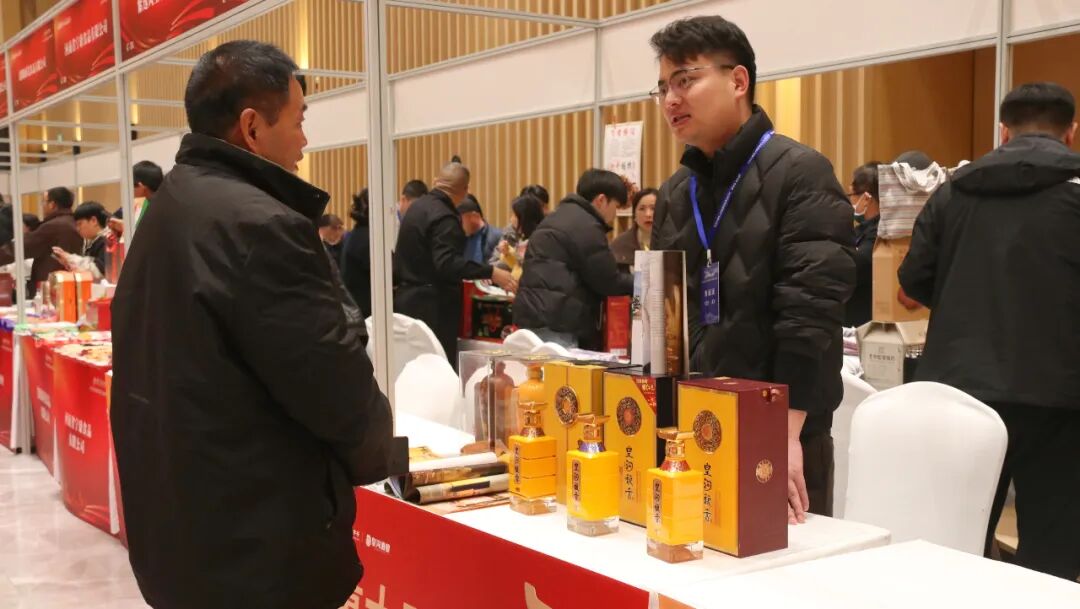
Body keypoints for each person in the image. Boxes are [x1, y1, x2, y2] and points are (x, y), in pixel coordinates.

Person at [110, 41, 393, 609]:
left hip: (182, 529)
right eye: (299, 120)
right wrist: (379, 452)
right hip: (255, 546)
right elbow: (333, 386)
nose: (305, 141)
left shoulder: (169, 206)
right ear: (252, 127)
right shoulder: (261, 227)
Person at [648, 16, 855, 524]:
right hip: (691, 425)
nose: (670, 100)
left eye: (685, 80)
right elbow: (662, 317)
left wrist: (785, 432)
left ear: (738, 81)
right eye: (662, 87)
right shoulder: (677, 193)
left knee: (785, 566)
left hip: (781, 429)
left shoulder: (801, 173)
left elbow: (811, 315)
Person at [899, 82, 1080, 581]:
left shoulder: (954, 191)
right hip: (1061, 396)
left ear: (1003, 131)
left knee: (956, 535)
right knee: (1054, 547)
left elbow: (914, 278)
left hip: (960, 389)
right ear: (1071, 132)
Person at [394, 162, 517, 366]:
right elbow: (447, 264)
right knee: (437, 367)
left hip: (406, 301)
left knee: (412, 367)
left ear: (437, 181)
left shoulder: (416, 208)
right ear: (465, 190)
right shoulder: (445, 217)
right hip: (433, 308)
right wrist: (491, 272)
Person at [514, 169, 634, 349]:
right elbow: (607, 280)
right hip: (559, 322)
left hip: (534, 316)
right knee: (560, 367)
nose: (615, 215)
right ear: (601, 200)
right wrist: (641, 281)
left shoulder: (559, 216)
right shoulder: (586, 226)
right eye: (616, 207)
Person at [0, 186, 83, 297]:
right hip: (72, 281)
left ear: (52, 204)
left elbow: (22, 247)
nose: (42, 206)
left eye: (44, 202)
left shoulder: (53, 226)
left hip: (51, 285)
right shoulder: (73, 223)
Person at [845, 162, 882, 328]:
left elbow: (854, 267)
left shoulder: (881, 233)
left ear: (866, 198)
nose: (849, 201)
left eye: (851, 194)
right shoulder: (860, 230)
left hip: (866, 324)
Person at [491, 194, 545, 276]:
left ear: (524, 218)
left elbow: (524, 266)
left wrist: (510, 252)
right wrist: (506, 253)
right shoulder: (514, 235)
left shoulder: (539, 242)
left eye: (514, 215)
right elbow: (514, 264)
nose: (511, 219)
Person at [53, 201, 110, 277]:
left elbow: (98, 271)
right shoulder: (90, 242)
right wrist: (67, 262)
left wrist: (69, 258)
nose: (78, 229)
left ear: (94, 221)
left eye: (80, 224)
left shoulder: (107, 241)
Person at [109, 161, 164, 238]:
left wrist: (125, 228)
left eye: (131, 185)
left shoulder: (161, 208)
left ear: (140, 186)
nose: (129, 190)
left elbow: (149, 236)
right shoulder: (149, 203)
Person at [341, 189, 372, 318]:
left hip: (355, 309)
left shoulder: (356, 234)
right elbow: (390, 274)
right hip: (366, 313)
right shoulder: (368, 239)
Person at [610, 187, 658, 271]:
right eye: (642, 209)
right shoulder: (619, 244)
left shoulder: (673, 242)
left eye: (653, 208)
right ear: (634, 215)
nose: (648, 214)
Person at [459, 194, 503, 264]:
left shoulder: (497, 236)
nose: (459, 224)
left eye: (461, 220)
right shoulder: (461, 238)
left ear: (474, 216)